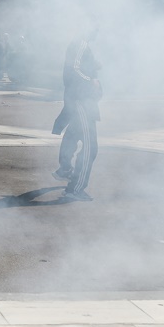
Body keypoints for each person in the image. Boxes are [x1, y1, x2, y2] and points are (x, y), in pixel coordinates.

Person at [52, 26, 102, 202]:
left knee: (72, 136)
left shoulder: (81, 44)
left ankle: (64, 169)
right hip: (82, 101)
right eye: (96, 28)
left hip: (81, 101)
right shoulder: (81, 44)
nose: (97, 32)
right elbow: (73, 69)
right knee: (90, 147)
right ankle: (75, 188)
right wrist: (91, 81)